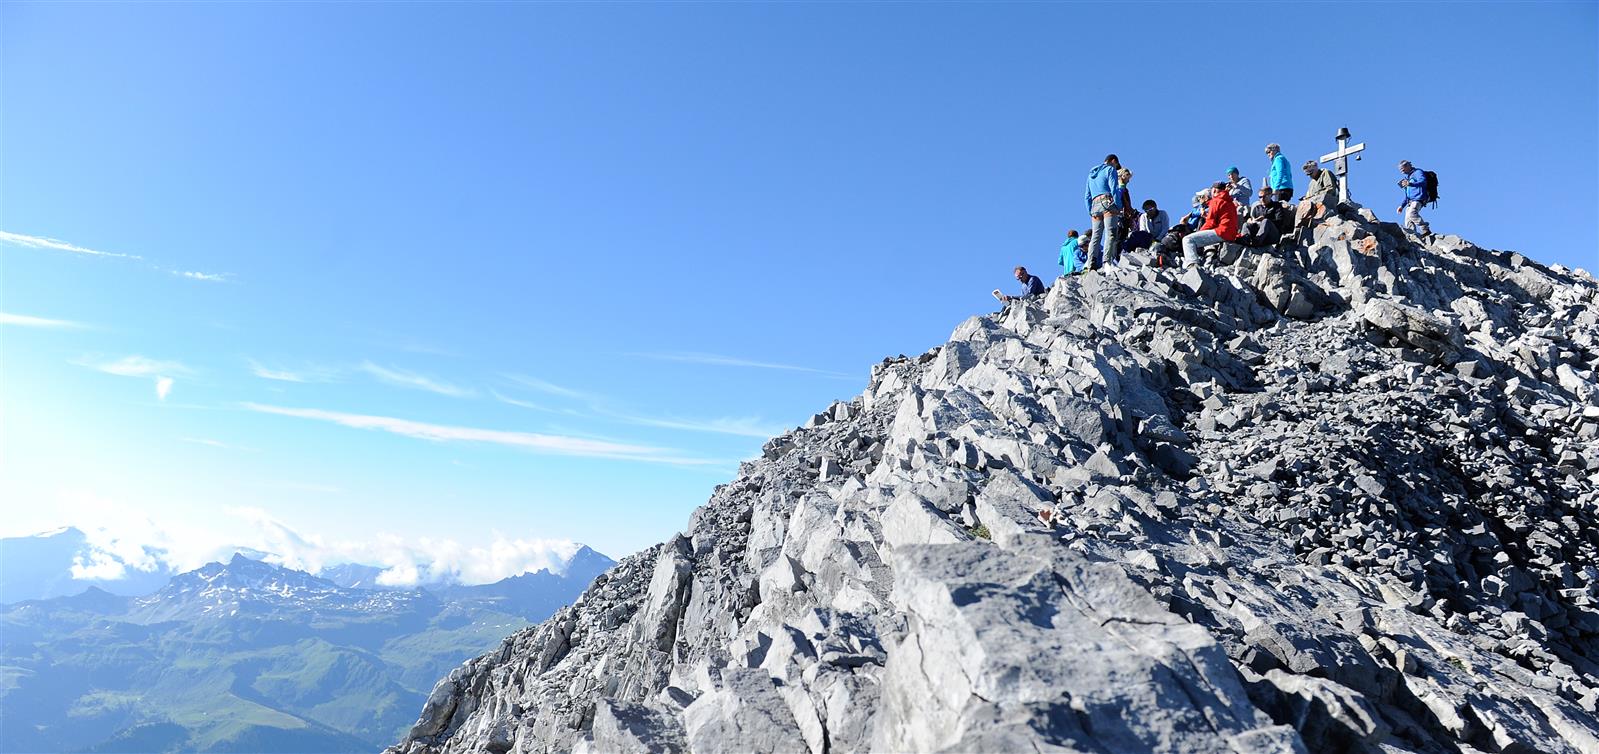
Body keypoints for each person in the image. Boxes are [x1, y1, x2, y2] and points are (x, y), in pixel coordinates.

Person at [1181, 182, 1240, 267]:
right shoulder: (1230, 201)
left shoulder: (1216, 201)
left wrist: (1198, 233)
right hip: (1232, 233)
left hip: (1222, 232)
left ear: (1214, 190)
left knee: (1188, 240)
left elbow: (1211, 222)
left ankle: (1192, 264)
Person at [1083, 155, 1124, 268]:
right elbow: (1114, 188)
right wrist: (1118, 205)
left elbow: (1087, 196)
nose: (1116, 169)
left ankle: (1091, 263)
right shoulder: (1110, 169)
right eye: (1116, 166)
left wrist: (1090, 211)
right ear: (1113, 161)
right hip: (1107, 202)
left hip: (1094, 206)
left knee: (1095, 236)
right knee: (1110, 234)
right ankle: (1107, 262)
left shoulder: (1091, 175)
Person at [1295, 159, 1340, 236]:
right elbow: (1309, 195)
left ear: (1316, 167)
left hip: (1328, 202)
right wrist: (1305, 198)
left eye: (1311, 172)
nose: (1310, 176)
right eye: (1308, 174)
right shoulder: (1311, 183)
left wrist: (1316, 196)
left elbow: (1330, 188)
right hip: (1315, 205)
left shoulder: (1325, 173)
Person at [1396, 160, 1432, 238]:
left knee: (1412, 213)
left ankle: (1425, 229)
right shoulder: (1408, 178)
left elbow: (1423, 182)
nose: (1402, 172)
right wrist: (1402, 206)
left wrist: (1411, 184)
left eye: (1402, 169)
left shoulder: (1417, 172)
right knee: (1408, 220)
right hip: (1410, 201)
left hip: (1418, 199)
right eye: (1401, 170)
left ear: (1408, 166)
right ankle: (1413, 235)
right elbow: (1407, 195)